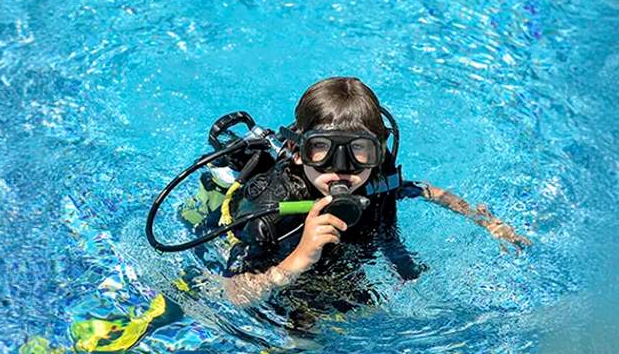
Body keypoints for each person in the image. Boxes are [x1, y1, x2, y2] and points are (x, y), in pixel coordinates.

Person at [221, 76, 530, 309]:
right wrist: (298, 260)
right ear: (297, 150)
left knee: (376, 291)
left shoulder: (372, 179)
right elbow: (236, 296)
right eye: (322, 149)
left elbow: (425, 191)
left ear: (378, 152)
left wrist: (488, 223)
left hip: (349, 248)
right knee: (308, 303)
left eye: (359, 150)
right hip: (280, 255)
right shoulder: (271, 206)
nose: (342, 168)